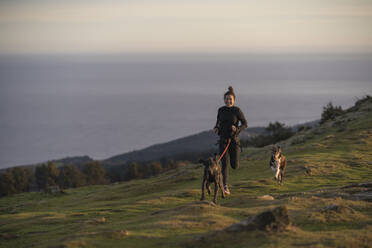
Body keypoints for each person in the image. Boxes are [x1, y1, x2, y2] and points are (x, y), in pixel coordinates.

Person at [213, 86, 247, 195]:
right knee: (224, 164)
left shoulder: (237, 110)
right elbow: (218, 122)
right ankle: (225, 187)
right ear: (224, 100)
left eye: (230, 99)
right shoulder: (221, 110)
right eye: (226, 99)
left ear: (234, 100)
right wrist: (216, 128)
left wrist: (237, 129)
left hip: (234, 141)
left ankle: (234, 167)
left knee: (234, 165)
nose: (228, 101)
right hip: (223, 140)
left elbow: (245, 124)